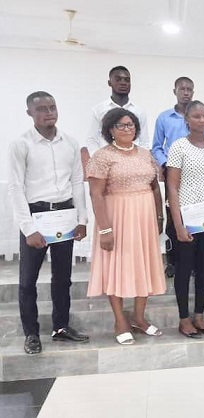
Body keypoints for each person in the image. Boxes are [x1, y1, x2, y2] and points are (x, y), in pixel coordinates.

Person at [8, 91, 90, 355]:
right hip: (36, 215)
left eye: (52, 107)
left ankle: (61, 327)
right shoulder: (21, 144)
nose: (49, 112)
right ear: (30, 113)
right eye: (41, 109)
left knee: (63, 277)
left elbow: (77, 183)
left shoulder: (70, 143)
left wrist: (81, 218)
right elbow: (15, 188)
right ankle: (31, 333)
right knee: (27, 281)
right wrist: (28, 228)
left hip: (64, 214)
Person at [86, 108, 166, 345]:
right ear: (110, 130)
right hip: (117, 217)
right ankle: (120, 320)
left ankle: (139, 317)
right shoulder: (102, 156)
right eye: (121, 125)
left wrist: (160, 217)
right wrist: (105, 229)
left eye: (131, 125)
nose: (127, 129)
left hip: (145, 217)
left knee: (145, 264)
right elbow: (96, 194)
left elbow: (154, 187)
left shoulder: (145, 154)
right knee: (116, 266)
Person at [166, 100, 204, 338]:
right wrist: (178, 224)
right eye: (197, 116)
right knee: (183, 268)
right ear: (187, 120)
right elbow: (172, 187)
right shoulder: (178, 147)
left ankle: (199, 315)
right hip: (185, 218)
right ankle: (183, 318)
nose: (202, 120)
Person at [151, 76, 204, 278]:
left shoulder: (201, 116)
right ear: (175, 91)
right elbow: (157, 146)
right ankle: (173, 261)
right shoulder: (164, 118)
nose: (186, 92)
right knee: (173, 218)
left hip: (196, 171)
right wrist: (165, 164)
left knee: (198, 213)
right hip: (174, 172)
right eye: (182, 89)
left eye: (189, 89)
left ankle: (196, 260)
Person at [82, 66, 149, 172]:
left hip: (133, 165)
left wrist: (139, 162)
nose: (123, 83)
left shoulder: (139, 111)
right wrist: (99, 160)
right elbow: (92, 139)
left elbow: (144, 141)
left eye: (127, 80)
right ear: (109, 83)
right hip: (106, 165)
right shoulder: (99, 110)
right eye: (118, 79)